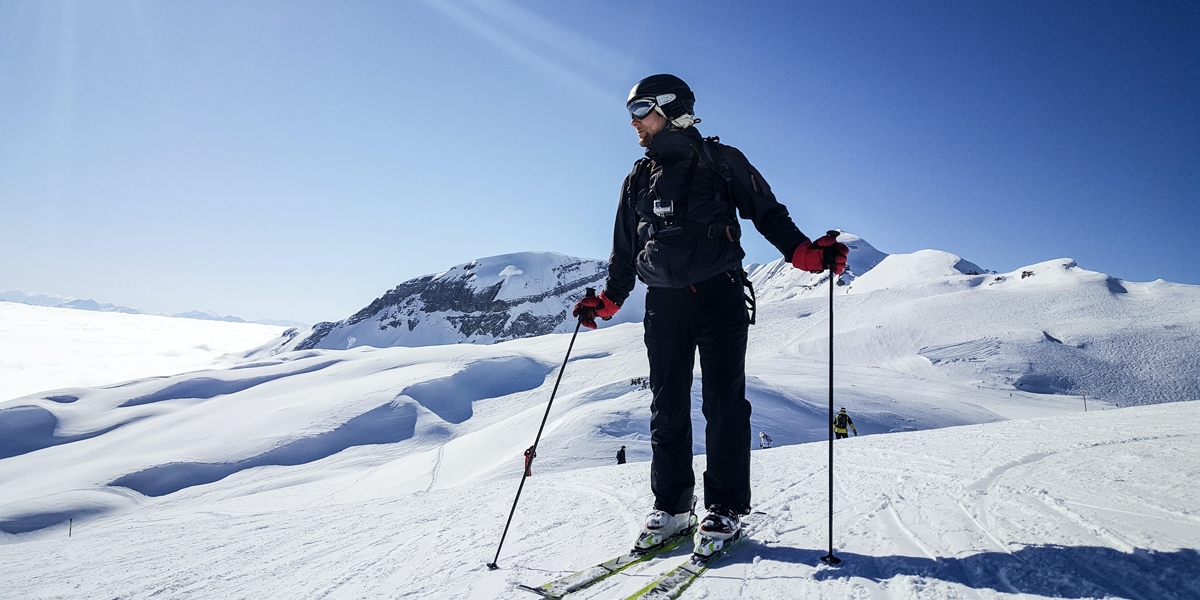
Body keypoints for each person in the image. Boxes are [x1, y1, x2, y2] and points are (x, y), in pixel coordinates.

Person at [573, 74, 848, 555]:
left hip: (720, 294)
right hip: (664, 304)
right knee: (668, 406)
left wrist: (804, 253)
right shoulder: (636, 178)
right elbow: (624, 250)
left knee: (723, 403)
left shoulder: (723, 161)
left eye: (640, 109)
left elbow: (768, 213)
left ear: (670, 108)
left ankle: (724, 508)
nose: (633, 122)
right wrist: (611, 299)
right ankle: (674, 508)